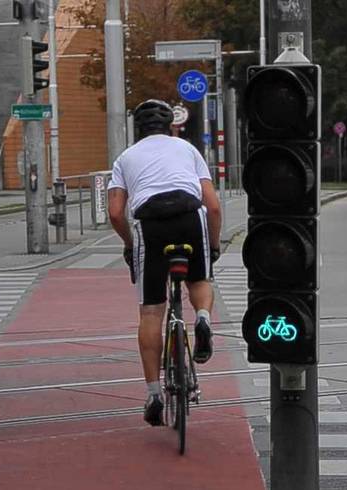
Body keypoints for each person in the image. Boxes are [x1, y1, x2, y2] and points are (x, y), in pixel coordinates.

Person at [107, 99, 224, 427]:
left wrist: (131, 245)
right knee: (200, 280)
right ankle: (202, 319)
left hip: (150, 225)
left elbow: (116, 213)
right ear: (171, 125)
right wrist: (212, 246)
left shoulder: (125, 158)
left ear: (137, 129)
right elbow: (212, 206)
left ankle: (154, 393)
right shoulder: (187, 150)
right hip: (190, 217)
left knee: (151, 311)